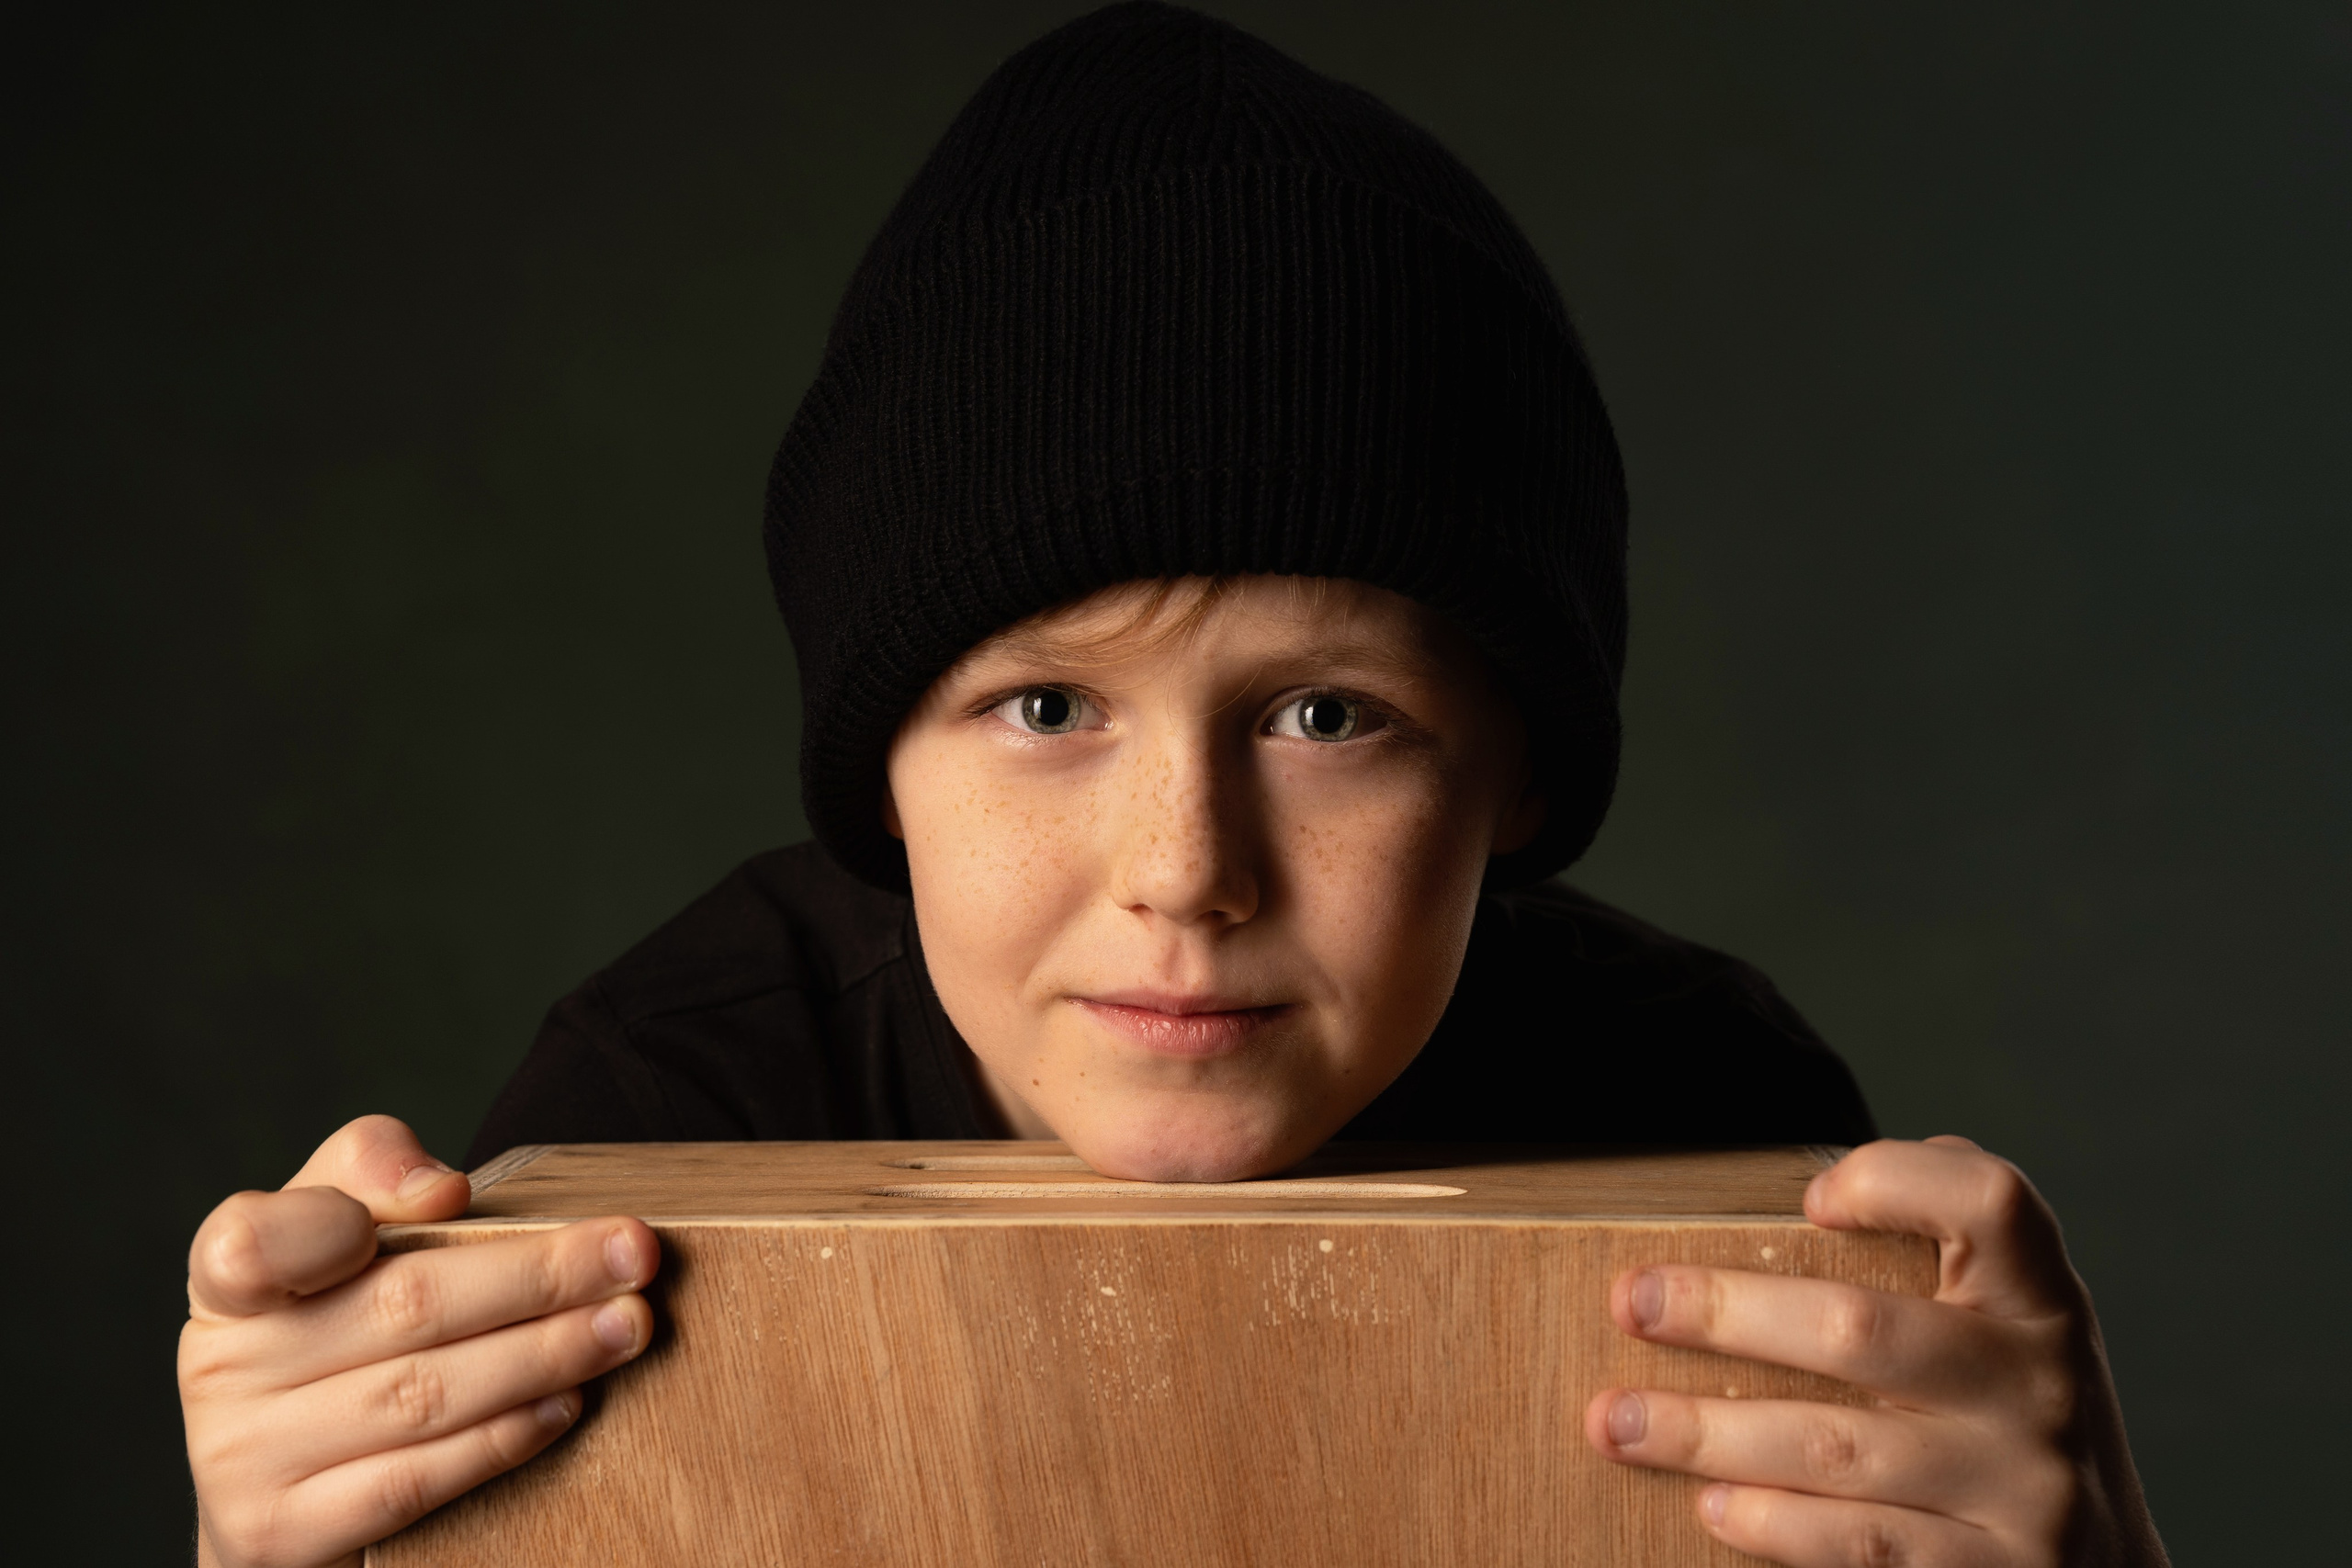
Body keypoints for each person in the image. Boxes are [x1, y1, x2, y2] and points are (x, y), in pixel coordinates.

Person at [175, 6, 2170, 1565]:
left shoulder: (1703, 1110)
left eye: (1328, 718)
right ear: (881, 778)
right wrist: (281, 1545)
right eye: (1045, 705)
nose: (1186, 869)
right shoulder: (670, 1109)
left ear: (1510, 774)